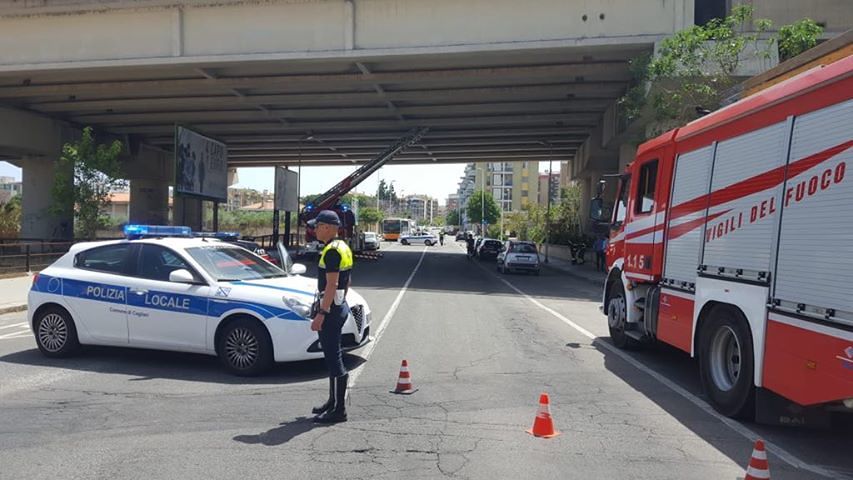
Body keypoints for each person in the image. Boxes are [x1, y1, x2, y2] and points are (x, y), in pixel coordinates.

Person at [308, 210, 353, 424]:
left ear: (327, 227)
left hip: (331, 310)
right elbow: (347, 280)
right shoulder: (342, 246)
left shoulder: (332, 251)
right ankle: (333, 401)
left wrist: (322, 313)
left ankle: (339, 410)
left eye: (317, 226)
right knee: (332, 356)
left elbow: (332, 284)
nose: (314, 230)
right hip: (339, 305)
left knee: (334, 358)